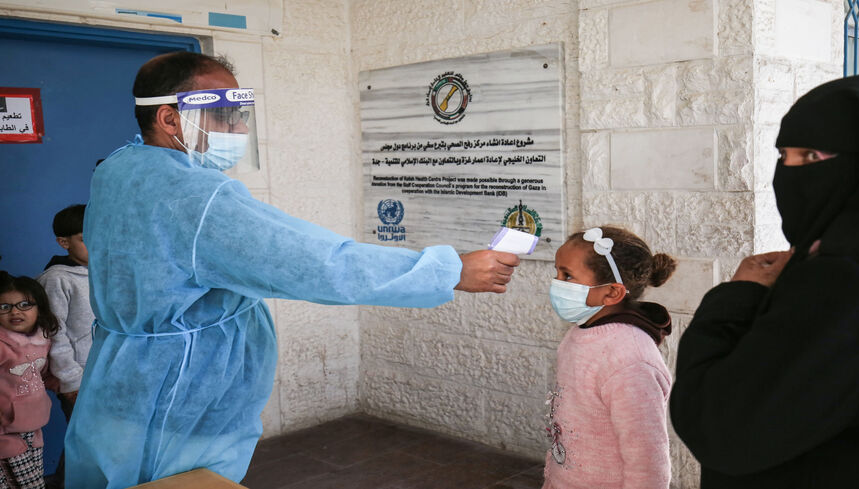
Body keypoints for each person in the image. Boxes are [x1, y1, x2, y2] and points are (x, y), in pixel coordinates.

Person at [65, 51, 519, 489]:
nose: (239, 127)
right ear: (168, 119)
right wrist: (446, 270)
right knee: (177, 481)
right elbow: (320, 263)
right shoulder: (197, 197)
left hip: (121, 379)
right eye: (224, 114)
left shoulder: (120, 169)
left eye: (242, 112)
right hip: (177, 394)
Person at [669, 75, 859, 488]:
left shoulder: (842, 277)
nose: (791, 173)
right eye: (784, 155)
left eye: (812, 156)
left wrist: (739, 295)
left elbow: (724, 427)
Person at [543, 226, 676, 489]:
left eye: (567, 276)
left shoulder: (630, 361)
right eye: (557, 272)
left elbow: (648, 464)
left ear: (612, 292)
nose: (556, 283)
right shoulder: (581, 332)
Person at [0, 273, 60, 489]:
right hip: (6, 430)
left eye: (24, 304)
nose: (15, 311)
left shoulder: (42, 338)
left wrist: (57, 382)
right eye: (4, 307)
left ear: (39, 308)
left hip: (33, 424)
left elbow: (40, 373)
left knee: (34, 476)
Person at [36, 204, 93, 418]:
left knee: (105, 443)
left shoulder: (102, 274)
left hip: (106, 372)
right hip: (79, 376)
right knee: (86, 440)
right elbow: (52, 332)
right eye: (85, 238)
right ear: (64, 242)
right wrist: (71, 380)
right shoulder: (56, 279)